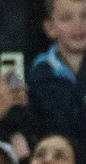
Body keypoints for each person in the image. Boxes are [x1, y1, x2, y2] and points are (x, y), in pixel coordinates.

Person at [27, 0, 86, 142]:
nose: (78, 25)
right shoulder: (36, 72)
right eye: (66, 18)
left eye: (85, 16)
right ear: (50, 28)